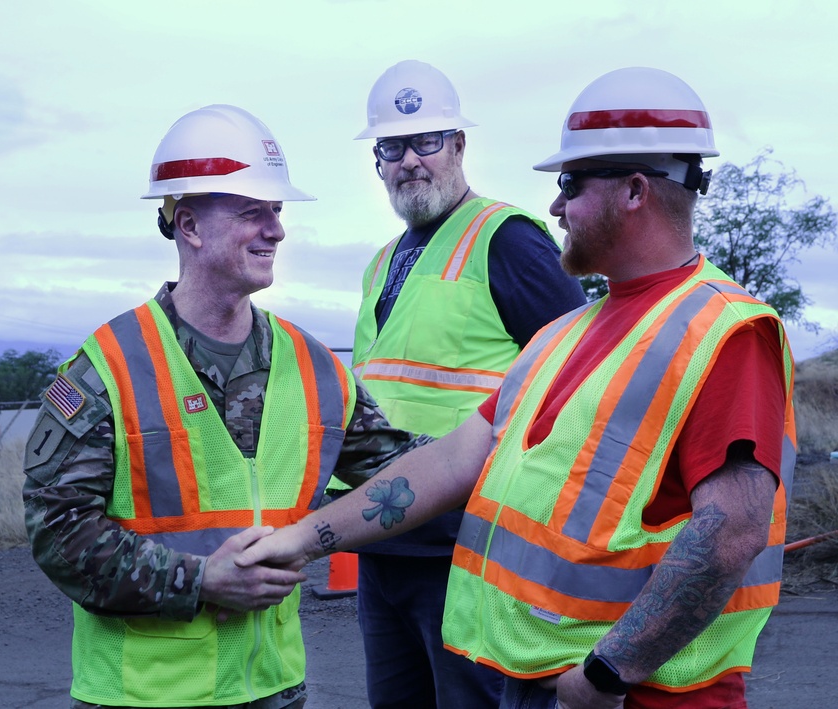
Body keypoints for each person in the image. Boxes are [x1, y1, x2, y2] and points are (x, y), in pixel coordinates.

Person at [238, 67, 796, 709]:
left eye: (569, 185)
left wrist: (609, 673)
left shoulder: (721, 331)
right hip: (534, 674)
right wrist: (301, 539)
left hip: (632, 693)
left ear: (636, 191)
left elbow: (731, 530)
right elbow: (450, 461)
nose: (555, 207)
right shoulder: (565, 334)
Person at [22, 104, 424, 709]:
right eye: (251, 212)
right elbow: (57, 534)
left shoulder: (312, 365)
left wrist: (507, 434)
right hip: (144, 696)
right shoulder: (109, 365)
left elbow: (400, 471)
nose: (276, 230)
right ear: (189, 225)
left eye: (277, 211)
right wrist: (202, 580)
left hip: (275, 689)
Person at [348, 59, 587, 708]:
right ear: (377, 161)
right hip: (387, 545)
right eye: (392, 146)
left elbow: (584, 376)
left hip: (474, 550)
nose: (410, 161)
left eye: (427, 141)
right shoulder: (380, 265)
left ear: (458, 146)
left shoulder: (506, 241)